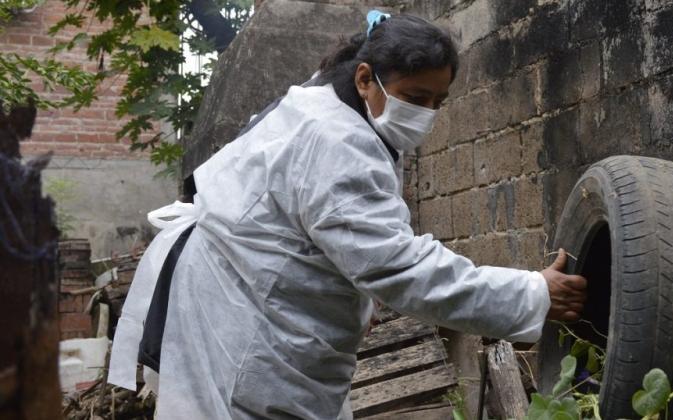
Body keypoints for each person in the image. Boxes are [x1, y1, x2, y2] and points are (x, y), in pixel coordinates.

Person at [111, 10, 587, 420]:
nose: (426, 114)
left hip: (244, 294)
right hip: (238, 319)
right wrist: (531, 293)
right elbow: (399, 268)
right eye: (416, 98)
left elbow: (337, 236)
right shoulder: (337, 144)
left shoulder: (336, 102)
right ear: (365, 78)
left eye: (438, 103)